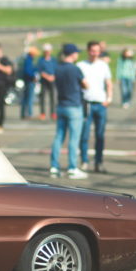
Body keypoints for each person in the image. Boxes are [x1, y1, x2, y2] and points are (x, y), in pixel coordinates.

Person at [49, 43, 88, 180]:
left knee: (59, 136)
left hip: (61, 105)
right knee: (74, 138)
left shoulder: (58, 69)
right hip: (74, 106)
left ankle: (54, 166)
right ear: (72, 54)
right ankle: (72, 167)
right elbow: (85, 85)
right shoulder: (75, 69)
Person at [78, 40, 113, 173]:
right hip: (87, 103)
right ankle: (84, 161)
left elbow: (109, 83)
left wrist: (109, 98)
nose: (94, 54)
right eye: (92, 51)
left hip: (101, 104)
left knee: (100, 135)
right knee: (85, 134)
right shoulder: (81, 65)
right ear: (88, 51)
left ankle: (99, 162)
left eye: (97, 51)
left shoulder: (103, 65)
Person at [36, 43, 57, 120]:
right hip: (44, 81)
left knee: (53, 98)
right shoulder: (41, 60)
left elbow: (56, 69)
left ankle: (53, 113)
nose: (47, 52)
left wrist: (53, 77)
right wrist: (47, 77)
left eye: (48, 51)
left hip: (52, 80)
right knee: (43, 97)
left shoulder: (54, 60)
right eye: (46, 51)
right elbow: (40, 71)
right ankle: (42, 113)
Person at [19, 45, 39, 119]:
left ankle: (24, 113)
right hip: (29, 81)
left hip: (28, 80)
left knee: (26, 97)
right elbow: (27, 71)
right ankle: (29, 114)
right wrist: (33, 76)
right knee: (29, 98)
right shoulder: (28, 60)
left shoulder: (28, 59)